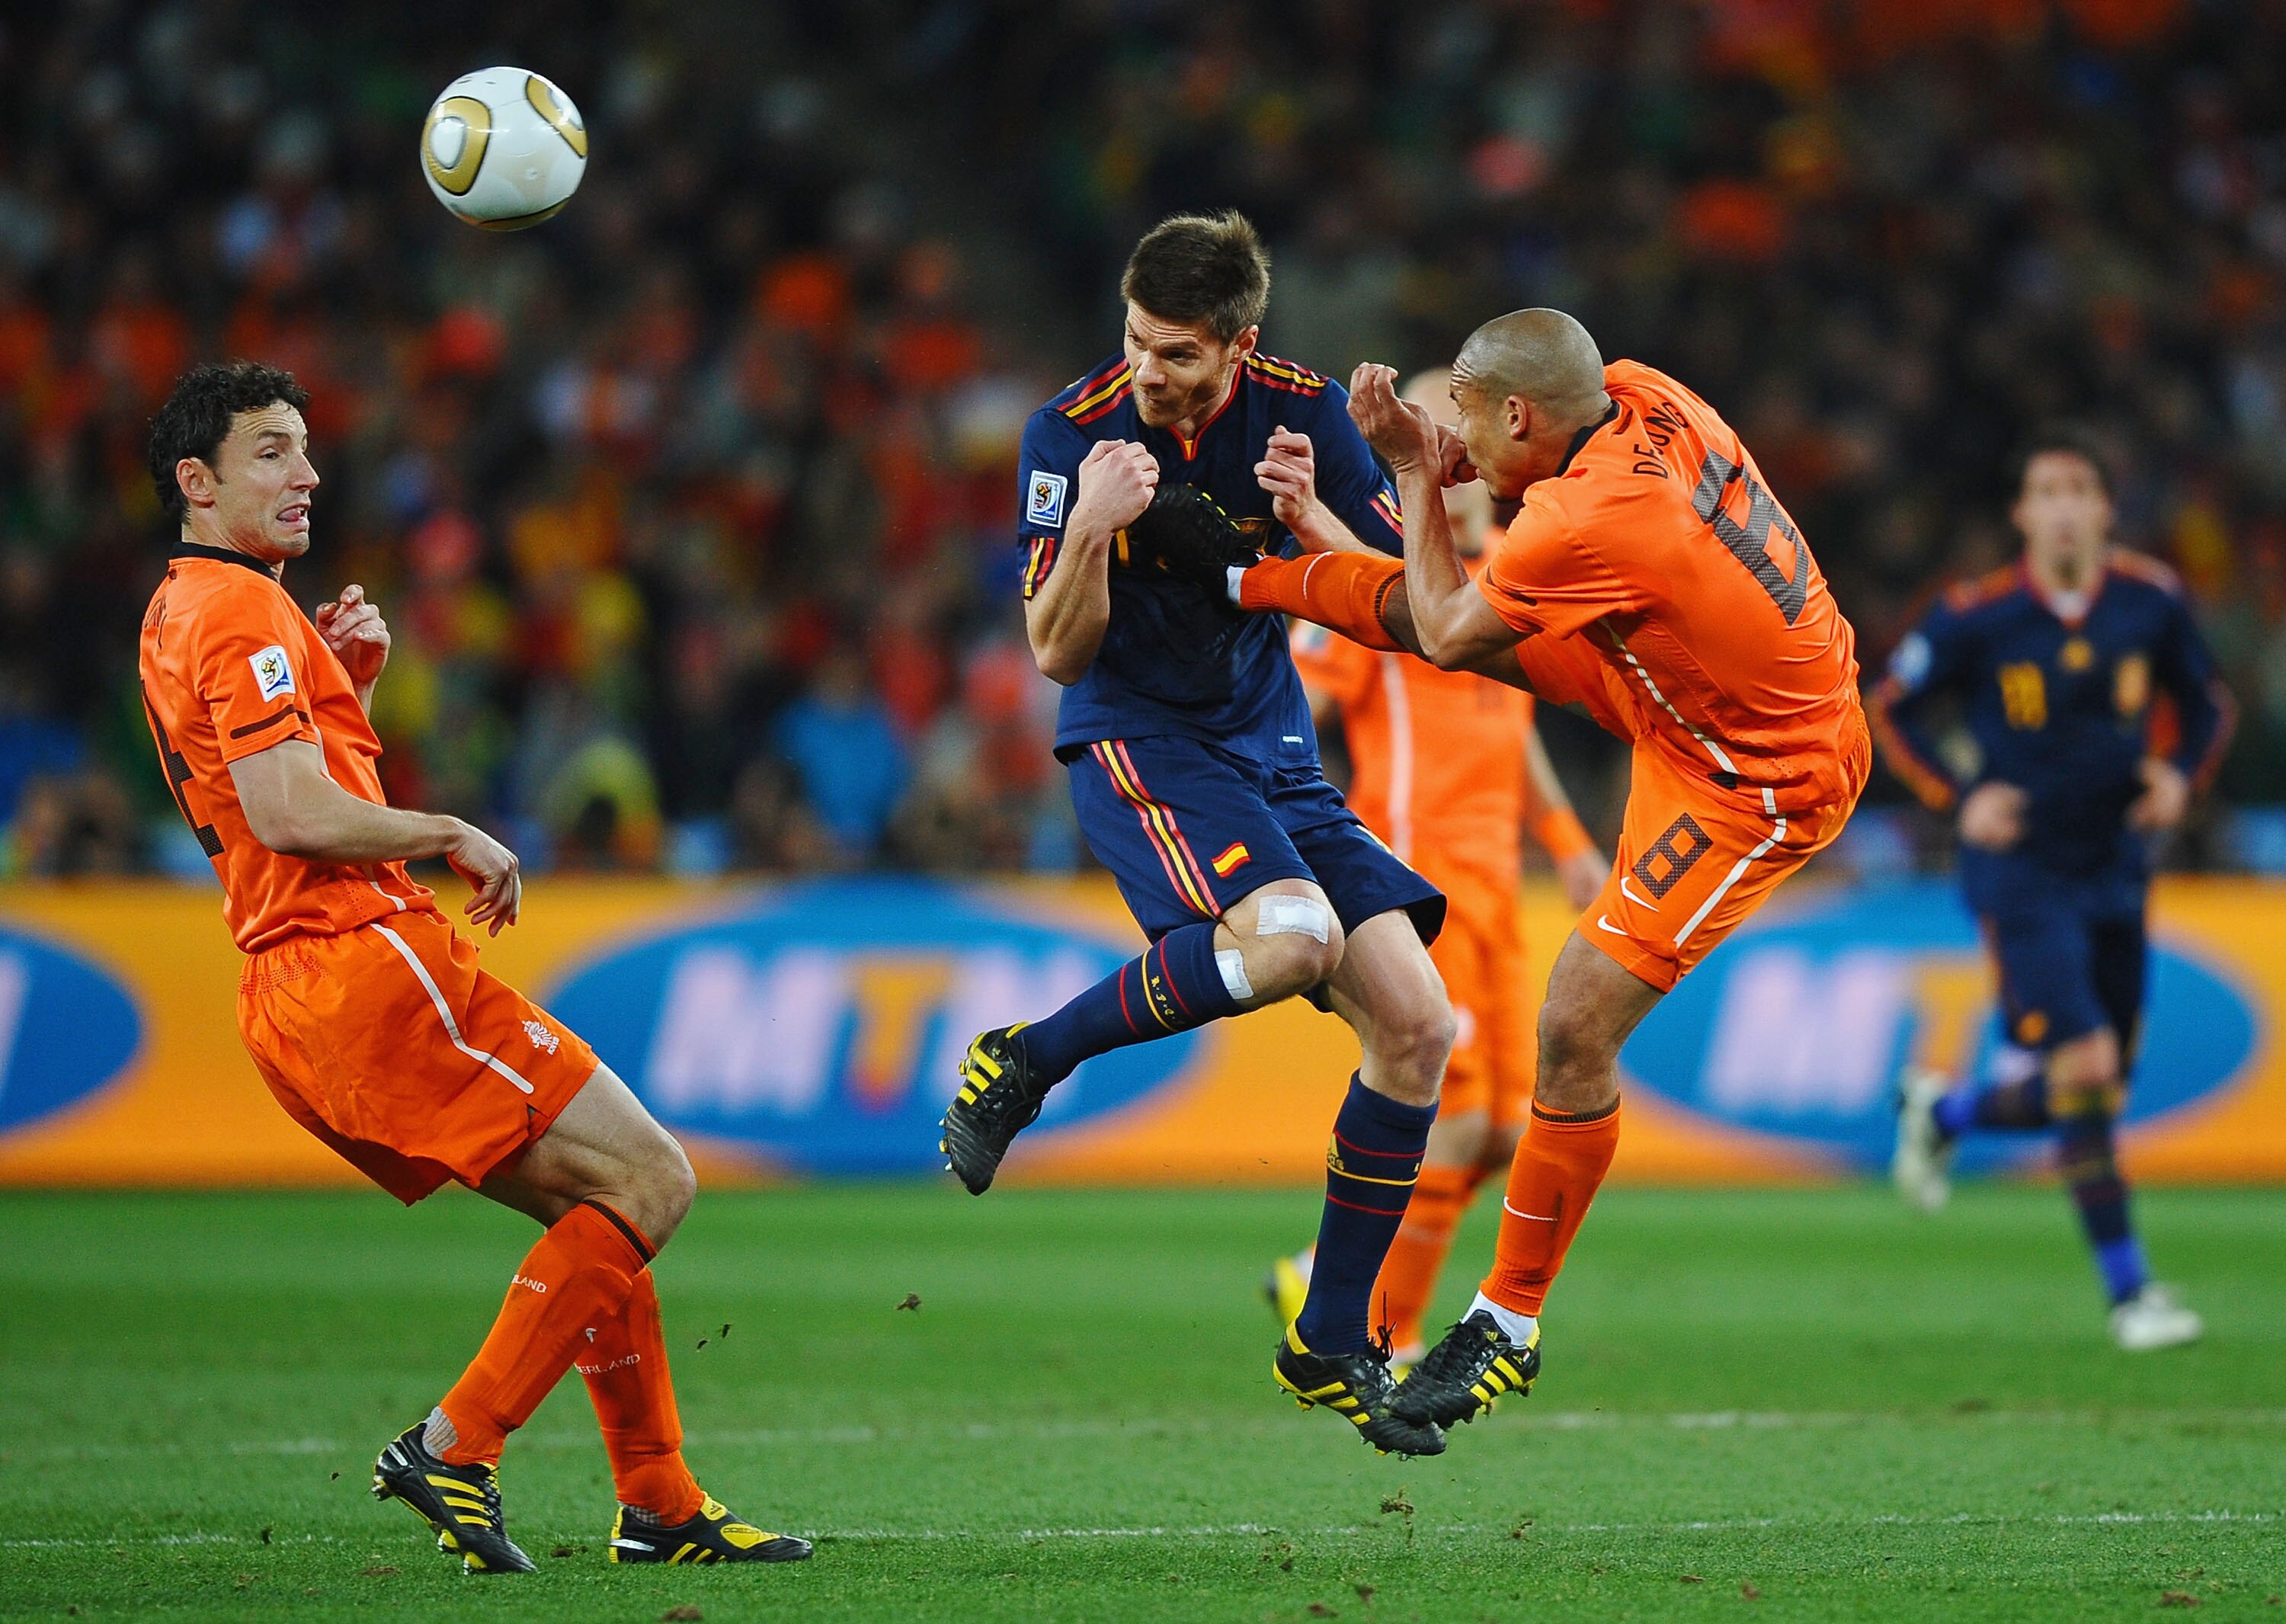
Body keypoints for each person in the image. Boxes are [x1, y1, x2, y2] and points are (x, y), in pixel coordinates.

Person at [136, 362, 809, 1573]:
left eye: (306, 448)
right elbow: (288, 812)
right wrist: (447, 829)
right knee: (653, 1179)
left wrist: (351, 689)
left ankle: (657, 1499)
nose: (308, 474)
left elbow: (264, 793)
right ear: (198, 479)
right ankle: (455, 1440)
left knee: (595, 1203)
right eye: (274, 452)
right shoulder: (236, 610)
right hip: (360, 956)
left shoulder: (189, 606)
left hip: (296, 982)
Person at [1224, 309, 1870, 1435]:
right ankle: (1244, 578)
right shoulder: (1635, 389)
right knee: (1482, 1109)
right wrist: (1323, 536)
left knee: (1573, 1024)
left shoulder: (1587, 515)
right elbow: (1453, 624)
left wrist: (1414, 470)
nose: (1456, 436)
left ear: (1521, 412)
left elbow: (1445, 628)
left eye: (1468, 416)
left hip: (1762, 772)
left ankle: (1506, 1322)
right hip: (1675, 695)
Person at [936, 213, 1458, 1458]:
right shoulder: (1072, 432)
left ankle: (1330, 1340)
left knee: (1422, 1027)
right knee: (1287, 939)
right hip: (1140, 734)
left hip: (1270, 741)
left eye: (1173, 352)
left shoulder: (1303, 411)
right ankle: (1030, 1056)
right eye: (1134, 340)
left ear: (1239, 344)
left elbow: (1411, 611)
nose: (1145, 371)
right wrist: (1089, 527)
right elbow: (1056, 652)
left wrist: (1327, 520)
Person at [1269, 372, 1610, 1367]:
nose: (1450, 450)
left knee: (1504, 1130)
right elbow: (1296, 707)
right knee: (1456, 1121)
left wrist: (1568, 838)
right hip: (1421, 879)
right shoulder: (1382, 574)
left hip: (1501, 880)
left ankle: (1322, 1274)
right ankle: (1385, 1332)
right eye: (1429, 430)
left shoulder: (1511, 562)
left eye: (1458, 429)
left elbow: (1515, 721)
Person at [1872, 427, 2231, 1352]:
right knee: (2087, 1072)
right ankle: (2132, 1295)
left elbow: (2207, 705)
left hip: (2116, 866)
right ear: (2022, 513)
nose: (2066, 505)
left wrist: (2181, 774)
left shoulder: (2150, 601)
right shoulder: (1977, 615)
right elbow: (1890, 707)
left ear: (2107, 509)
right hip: (2022, 871)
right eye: (2049, 489)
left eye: (2082, 488)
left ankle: (1941, 1111)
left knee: (2093, 1094)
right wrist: (1960, 797)